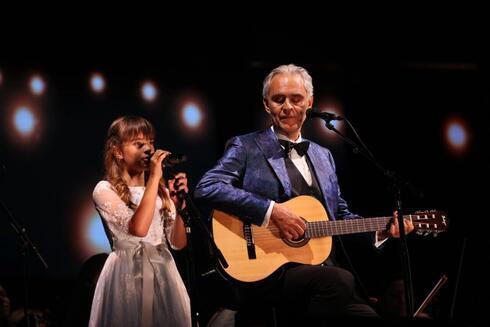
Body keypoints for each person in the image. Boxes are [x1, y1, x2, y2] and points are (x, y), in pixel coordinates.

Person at [194, 64, 414, 323]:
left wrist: (382, 229)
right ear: (267, 105)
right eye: (278, 99)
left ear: (310, 102)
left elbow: (338, 216)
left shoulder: (324, 156)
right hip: (270, 273)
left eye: (296, 99)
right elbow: (207, 187)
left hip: (322, 273)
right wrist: (270, 211)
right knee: (340, 280)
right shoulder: (246, 146)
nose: (287, 106)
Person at [89, 116, 191, 327]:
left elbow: (178, 243)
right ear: (118, 151)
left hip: (163, 273)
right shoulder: (104, 190)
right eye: (139, 144)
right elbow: (138, 228)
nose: (148, 149)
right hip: (126, 275)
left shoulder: (160, 192)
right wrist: (154, 178)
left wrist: (180, 206)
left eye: (150, 143)